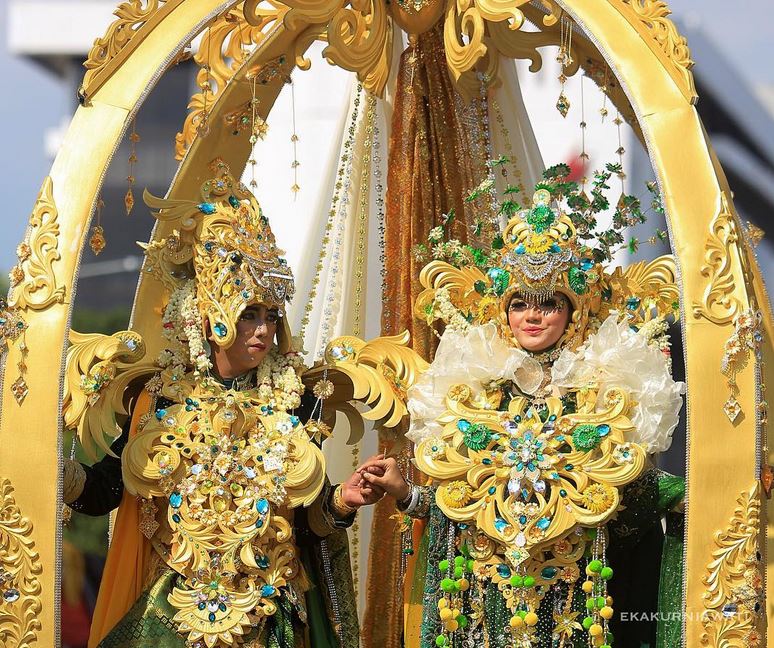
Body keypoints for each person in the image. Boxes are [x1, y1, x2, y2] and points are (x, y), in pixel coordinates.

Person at [62, 159, 383, 648]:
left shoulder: (291, 399)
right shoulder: (163, 398)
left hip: (269, 612)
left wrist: (343, 502)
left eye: (271, 316)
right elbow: (111, 488)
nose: (263, 330)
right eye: (249, 314)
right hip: (176, 613)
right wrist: (67, 477)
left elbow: (312, 518)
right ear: (212, 316)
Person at [359, 178, 686, 648]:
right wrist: (407, 494)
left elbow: (622, 494)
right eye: (519, 304)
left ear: (574, 312)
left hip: (572, 592)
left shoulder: (602, 393)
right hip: (482, 594)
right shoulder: (477, 390)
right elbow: (461, 500)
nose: (532, 316)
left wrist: (682, 496)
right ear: (503, 311)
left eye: (548, 303)